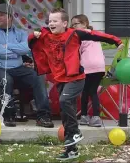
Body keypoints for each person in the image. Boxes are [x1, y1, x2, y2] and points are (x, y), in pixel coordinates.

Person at [28, 8, 123, 160]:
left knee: (64, 101)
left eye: (55, 21)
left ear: (65, 23)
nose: (51, 23)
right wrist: (34, 35)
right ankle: (71, 150)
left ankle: (76, 132)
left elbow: (96, 35)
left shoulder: (74, 34)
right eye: (50, 21)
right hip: (59, 79)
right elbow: (31, 42)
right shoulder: (46, 35)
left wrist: (116, 40)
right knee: (65, 114)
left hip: (76, 78)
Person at [0, 3, 54, 128]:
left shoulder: (20, 33)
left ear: (10, 18)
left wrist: (8, 46)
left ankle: (43, 116)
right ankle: (8, 115)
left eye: (2, 15)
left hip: (18, 68)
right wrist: (16, 53)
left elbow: (27, 48)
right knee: (6, 80)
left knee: (38, 76)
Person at [71, 14, 105, 127]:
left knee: (85, 91)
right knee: (92, 91)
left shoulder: (81, 36)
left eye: (76, 24)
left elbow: (76, 53)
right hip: (100, 67)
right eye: (72, 25)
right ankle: (95, 117)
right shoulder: (94, 34)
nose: (74, 27)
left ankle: (86, 116)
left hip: (88, 67)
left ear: (84, 24)